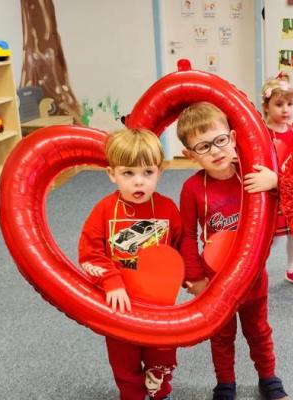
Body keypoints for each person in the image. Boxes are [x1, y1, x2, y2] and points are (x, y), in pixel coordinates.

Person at [177, 101, 290, 400]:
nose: (215, 151)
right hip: (216, 280)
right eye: (203, 147)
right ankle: (225, 384)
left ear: (233, 138)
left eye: (220, 140)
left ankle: (269, 378)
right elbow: (186, 236)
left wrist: (276, 182)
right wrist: (195, 276)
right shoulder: (192, 189)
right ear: (190, 155)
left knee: (258, 331)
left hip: (254, 277)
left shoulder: (253, 175)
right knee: (221, 335)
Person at [78, 128, 182, 400]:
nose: (139, 182)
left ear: (159, 172)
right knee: (124, 362)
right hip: (120, 308)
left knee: (163, 356)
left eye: (147, 172)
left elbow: (181, 248)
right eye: (128, 173)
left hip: (160, 307)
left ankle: (160, 392)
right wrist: (111, 281)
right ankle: (132, 395)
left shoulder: (168, 209)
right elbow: (89, 254)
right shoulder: (103, 210)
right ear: (112, 174)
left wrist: (189, 276)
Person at [261, 74, 293, 289]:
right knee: (269, 237)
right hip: (270, 193)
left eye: (290, 104)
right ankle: (255, 271)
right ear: (266, 107)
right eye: (279, 104)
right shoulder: (262, 133)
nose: (286, 110)